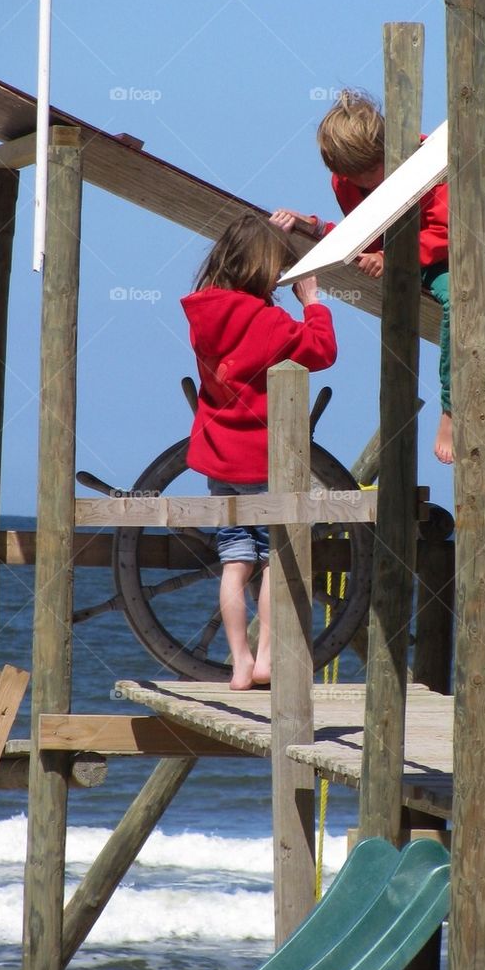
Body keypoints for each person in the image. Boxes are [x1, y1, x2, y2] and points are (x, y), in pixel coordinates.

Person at [270, 89, 485, 487]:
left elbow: (455, 229)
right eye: (353, 177)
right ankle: (452, 409)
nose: (363, 182)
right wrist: (315, 227)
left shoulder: (432, 160)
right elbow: (367, 236)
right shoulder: (346, 180)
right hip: (427, 269)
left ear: (385, 149)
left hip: (482, 257)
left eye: (369, 171)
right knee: (456, 306)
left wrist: (392, 258)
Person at [182, 213, 337, 690]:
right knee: (274, 559)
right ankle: (267, 656)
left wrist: (262, 237)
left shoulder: (203, 313)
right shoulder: (270, 323)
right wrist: (312, 302)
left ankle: (240, 663)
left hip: (219, 460)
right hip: (264, 460)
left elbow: (241, 321)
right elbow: (322, 350)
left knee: (235, 562)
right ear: (261, 269)